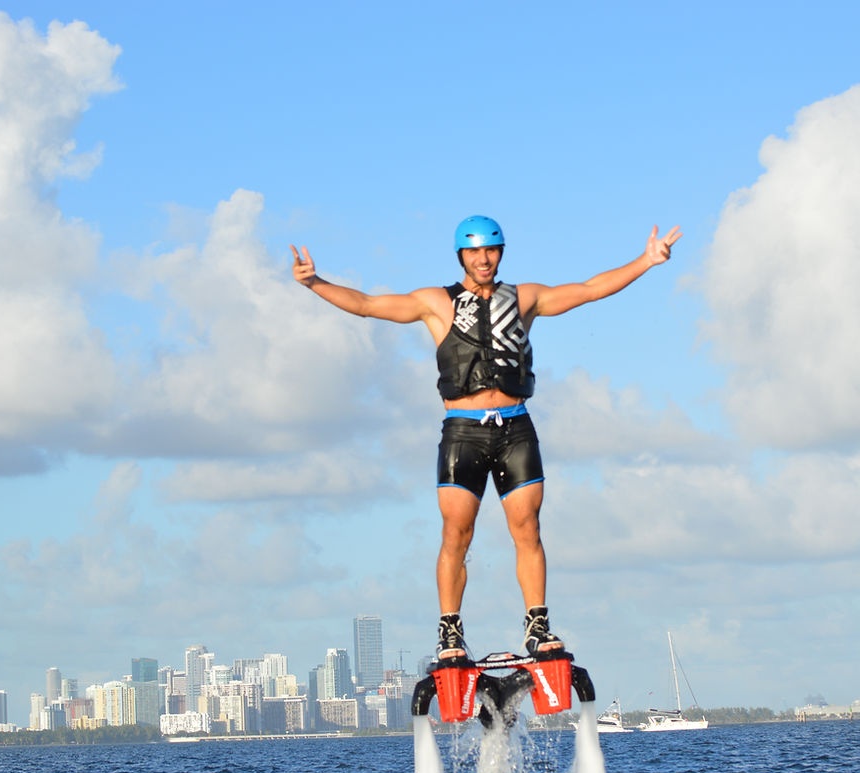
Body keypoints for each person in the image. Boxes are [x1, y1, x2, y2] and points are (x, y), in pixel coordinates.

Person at [290, 216, 680, 661]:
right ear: (461, 256)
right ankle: (450, 631)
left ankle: (537, 625)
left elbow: (589, 289)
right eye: (474, 252)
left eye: (491, 251)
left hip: (516, 427)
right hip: (464, 432)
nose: (483, 259)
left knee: (528, 528)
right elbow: (365, 304)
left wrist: (646, 261)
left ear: (501, 253)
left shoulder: (525, 298)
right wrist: (314, 283)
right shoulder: (436, 303)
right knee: (457, 532)